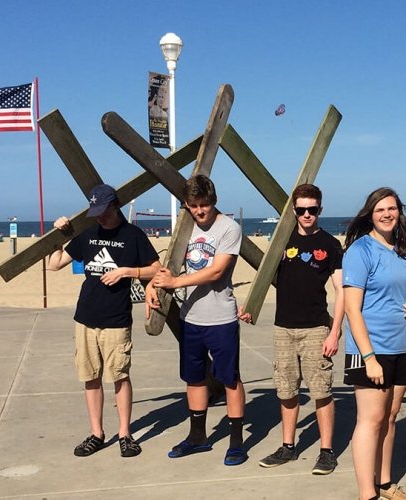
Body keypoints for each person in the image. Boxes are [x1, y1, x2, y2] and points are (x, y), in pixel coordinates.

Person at [48, 184, 161, 458]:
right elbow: (55, 263)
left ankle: (125, 434)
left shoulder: (133, 235)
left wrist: (126, 272)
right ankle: (96, 433)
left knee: (120, 376)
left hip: (116, 319)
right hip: (85, 317)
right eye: (95, 212)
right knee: (91, 377)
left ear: (115, 206)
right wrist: (56, 235)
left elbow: (156, 268)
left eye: (103, 211)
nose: (99, 217)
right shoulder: (88, 235)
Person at [145, 174, 251, 465]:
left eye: (204, 205)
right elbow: (166, 266)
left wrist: (175, 283)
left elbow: (217, 271)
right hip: (191, 317)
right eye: (193, 205)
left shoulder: (229, 228)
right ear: (186, 205)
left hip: (221, 318)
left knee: (229, 378)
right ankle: (198, 437)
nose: (200, 211)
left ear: (213, 202)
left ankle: (236, 441)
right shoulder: (184, 229)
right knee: (194, 378)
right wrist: (152, 288)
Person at [258, 184, 344, 475]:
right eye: (302, 210)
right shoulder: (281, 240)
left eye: (313, 209)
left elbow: (341, 290)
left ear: (320, 209)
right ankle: (288, 446)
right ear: (293, 210)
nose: (307, 215)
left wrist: (335, 330)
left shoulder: (331, 245)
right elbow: (263, 277)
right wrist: (251, 307)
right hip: (283, 327)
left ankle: (327, 451)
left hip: (316, 327)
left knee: (321, 390)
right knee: (286, 390)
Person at [343, 187, 406, 500]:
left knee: (390, 416)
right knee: (370, 421)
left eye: (392, 209)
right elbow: (351, 308)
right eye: (380, 210)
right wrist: (369, 356)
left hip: (401, 345)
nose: (387, 214)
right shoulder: (360, 251)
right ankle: (367, 493)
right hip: (370, 349)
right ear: (370, 215)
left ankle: (385, 482)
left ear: (399, 211)